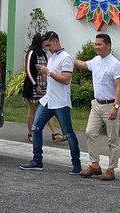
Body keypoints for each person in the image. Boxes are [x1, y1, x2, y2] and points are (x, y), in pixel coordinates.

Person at [19, 31, 82, 174]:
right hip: (49, 99)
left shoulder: (66, 58)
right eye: (46, 46)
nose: (48, 48)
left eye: (49, 45)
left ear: (56, 42)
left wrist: (47, 72)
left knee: (68, 133)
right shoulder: (53, 57)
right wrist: (43, 74)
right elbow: (51, 80)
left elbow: (66, 79)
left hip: (60, 101)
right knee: (36, 128)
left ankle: (76, 164)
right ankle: (37, 160)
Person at [74, 32, 120, 181]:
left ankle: (111, 169)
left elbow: (119, 87)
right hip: (96, 104)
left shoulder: (115, 64)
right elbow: (84, 64)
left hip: (110, 105)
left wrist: (116, 106)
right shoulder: (96, 60)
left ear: (108, 46)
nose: (97, 47)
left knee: (112, 139)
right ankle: (94, 165)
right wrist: (68, 59)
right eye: (95, 44)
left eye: (99, 44)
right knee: (90, 132)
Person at [22, 33, 61, 143]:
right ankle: (31, 132)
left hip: (44, 85)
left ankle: (55, 133)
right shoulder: (31, 53)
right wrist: (35, 85)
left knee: (47, 108)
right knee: (33, 109)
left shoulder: (43, 54)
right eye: (44, 42)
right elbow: (28, 70)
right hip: (33, 85)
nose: (46, 44)